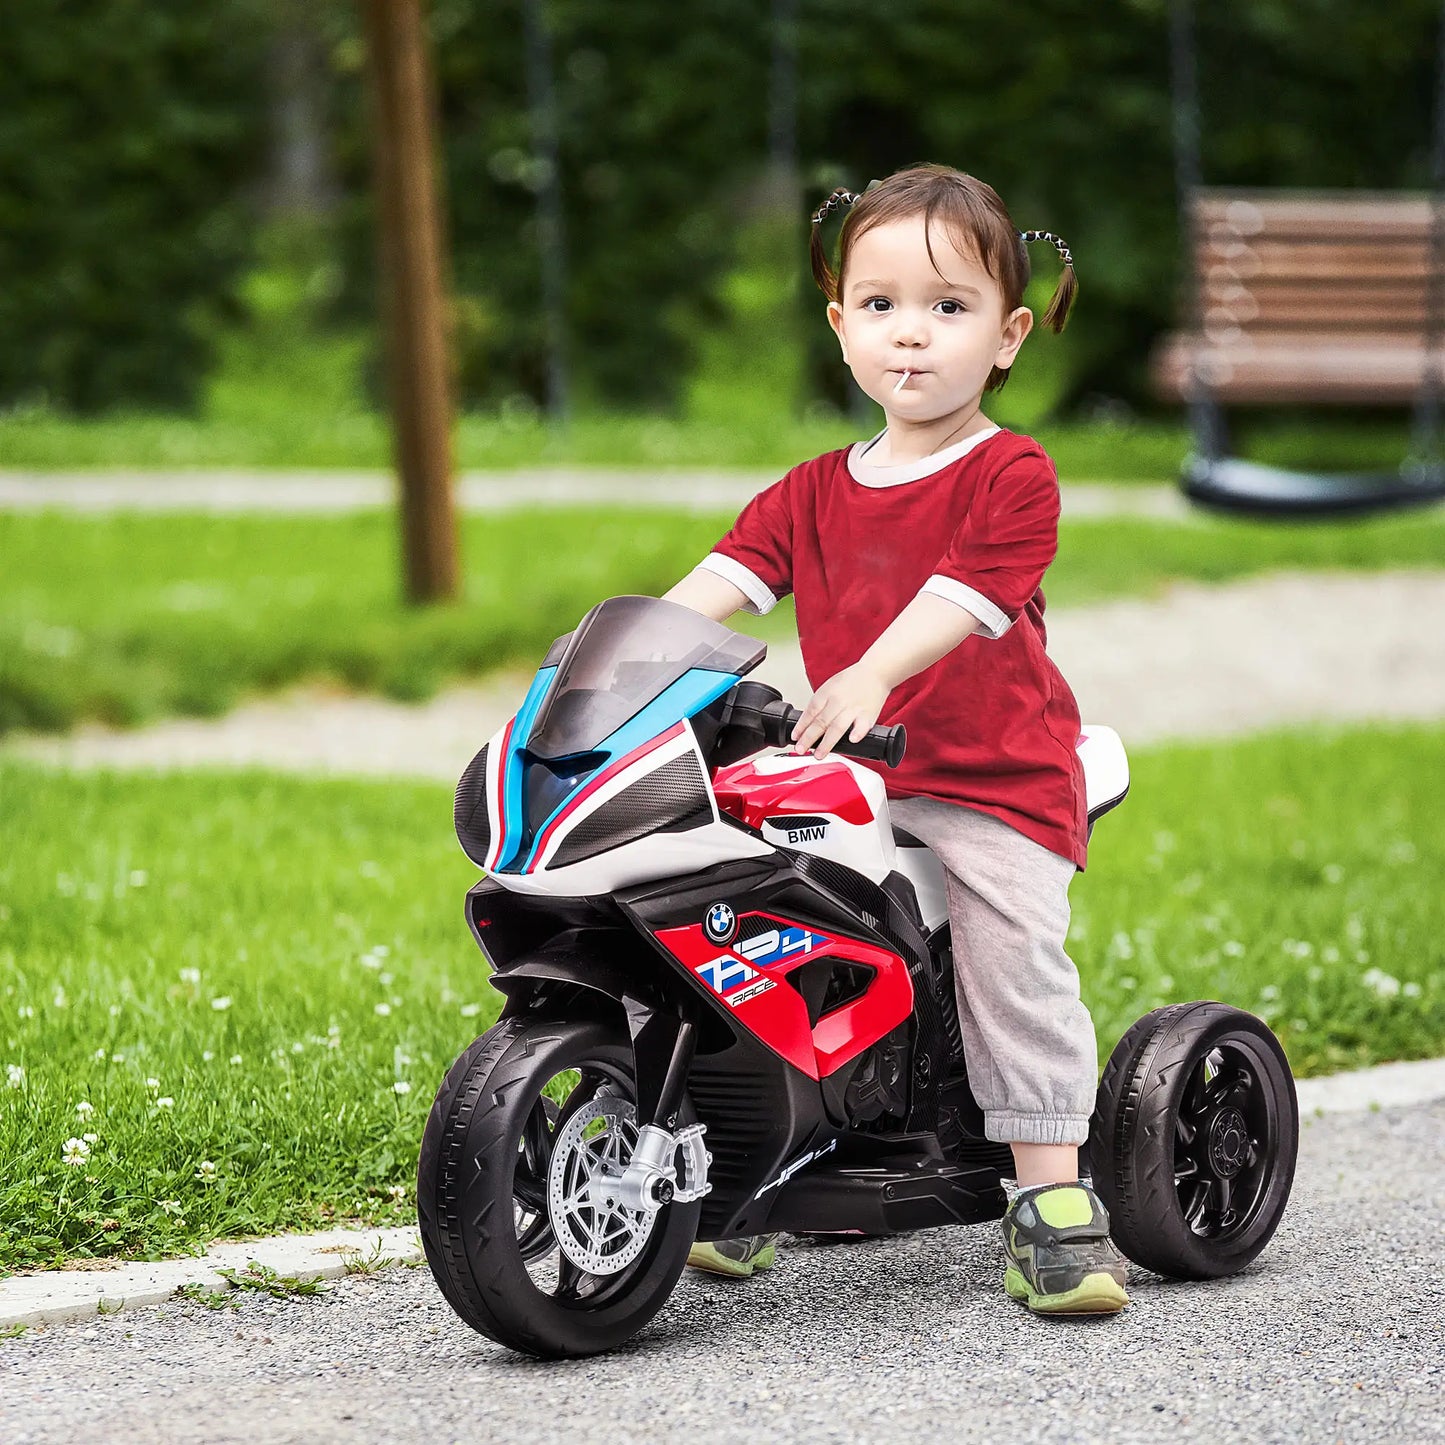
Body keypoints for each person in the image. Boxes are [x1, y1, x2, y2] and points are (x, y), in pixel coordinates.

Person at [663, 164, 1128, 1315]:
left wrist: (870, 668)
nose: (909, 336)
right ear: (838, 327)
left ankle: (1048, 1196)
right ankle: (749, 1166)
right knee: (749, 936)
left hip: (990, 781)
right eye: (879, 306)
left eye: (947, 307)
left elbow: (963, 597)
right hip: (848, 777)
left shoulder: (1010, 472)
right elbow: (717, 585)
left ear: (1008, 335)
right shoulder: (810, 489)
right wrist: (606, 654)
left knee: (1004, 954)